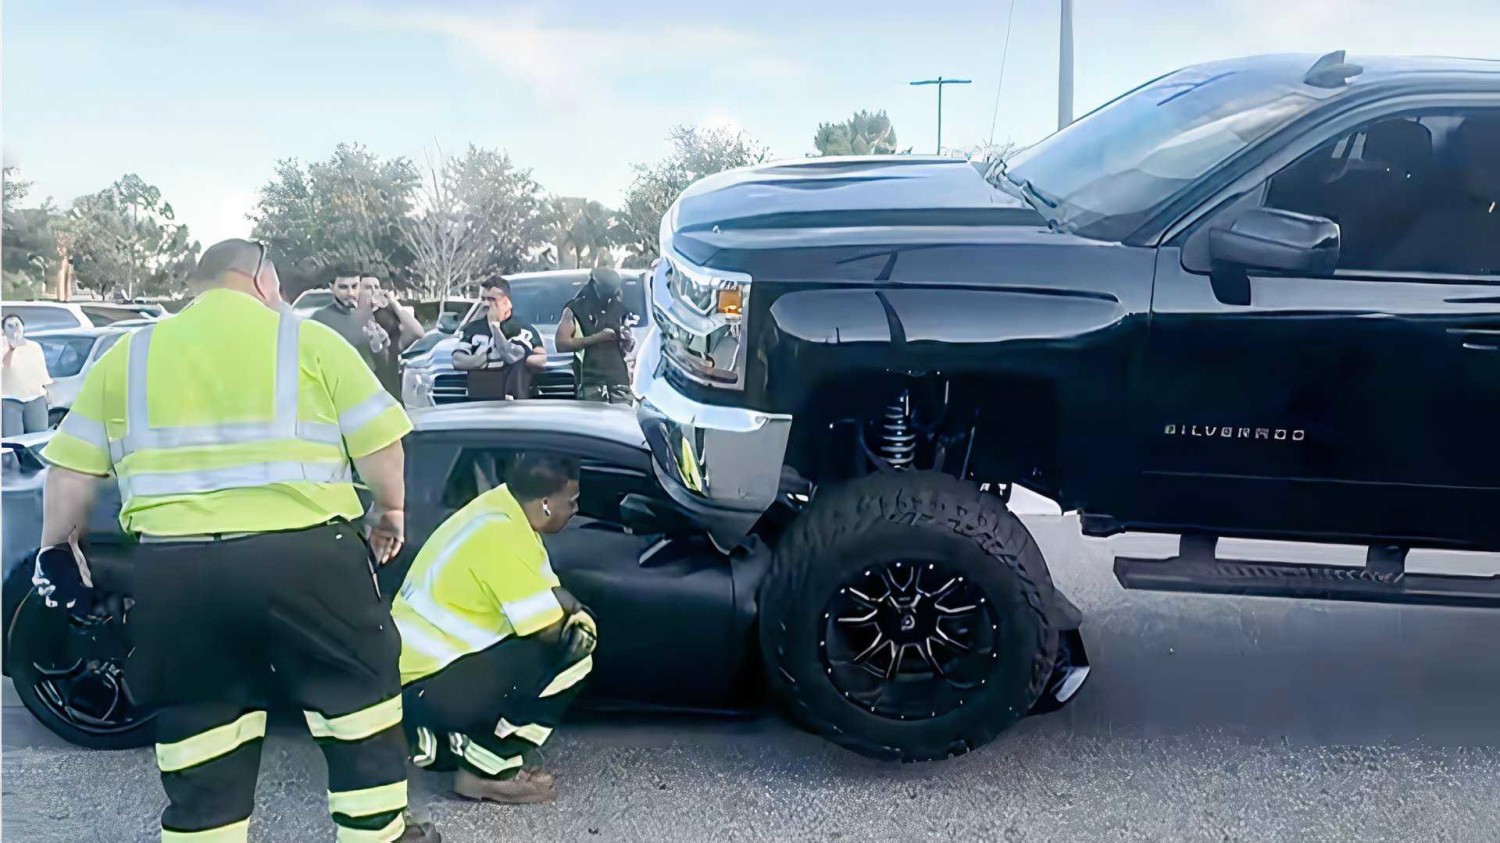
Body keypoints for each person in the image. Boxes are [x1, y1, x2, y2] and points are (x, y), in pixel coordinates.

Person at [32, 239, 439, 843]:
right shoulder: (308, 341)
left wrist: (57, 550)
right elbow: (381, 443)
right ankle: (375, 833)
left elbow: (69, 472)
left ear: (200, 286)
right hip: (306, 559)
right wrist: (392, 512)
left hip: (177, 571)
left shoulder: (129, 356)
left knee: (202, 722)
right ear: (262, 282)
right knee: (358, 701)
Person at [393, 452, 595, 804]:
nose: (576, 509)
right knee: (574, 653)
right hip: (420, 690)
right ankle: (485, 771)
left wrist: (568, 605)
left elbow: (548, 592)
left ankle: (453, 745)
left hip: (421, 677)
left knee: (550, 644)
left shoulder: (501, 509)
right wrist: (581, 615)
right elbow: (551, 630)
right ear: (546, 503)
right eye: (572, 501)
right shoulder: (501, 538)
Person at [311, 274, 423, 397]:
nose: (374, 292)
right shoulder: (338, 323)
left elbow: (417, 332)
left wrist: (393, 303)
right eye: (368, 287)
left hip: (389, 400)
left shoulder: (385, 321)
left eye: (377, 287)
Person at [452, 277, 547, 401]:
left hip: (513, 405)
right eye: (483, 299)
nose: (485, 304)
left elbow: (511, 356)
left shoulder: (521, 329)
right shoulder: (471, 329)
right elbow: (457, 360)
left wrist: (495, 327)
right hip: (477, 404)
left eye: (491, 299)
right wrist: (485, 358)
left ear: (506, 302)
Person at [555, 268, 634, 404]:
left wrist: (626, 340)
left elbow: (628, 347)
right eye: (605, 290)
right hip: (590, 381)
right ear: (594, 285)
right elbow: (561, 343)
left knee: (622, 421)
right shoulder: (575, 309)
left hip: (619, 380)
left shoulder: (619, 309)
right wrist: (598, 338)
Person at [2, 314, 52, 435]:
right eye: (10, 326)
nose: (15, 328)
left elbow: (41, 373)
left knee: (37, 437)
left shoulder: (34, 347)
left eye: (17, 324)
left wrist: (47, 393)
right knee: (12, 441)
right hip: (9, 400)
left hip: (35, 398)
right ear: (3, 330)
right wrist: (11, 349)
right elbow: (5, 365)